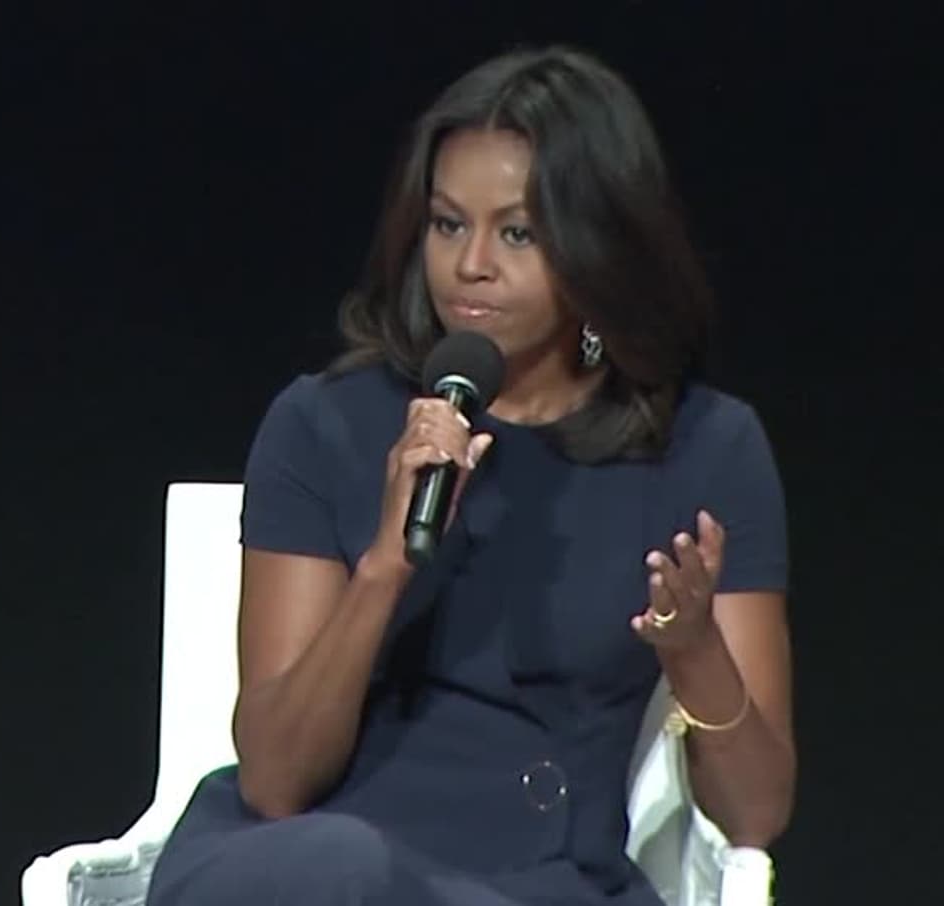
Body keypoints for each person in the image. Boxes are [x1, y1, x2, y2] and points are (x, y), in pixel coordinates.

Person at [145, 44, 794, 906]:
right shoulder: (324, 424)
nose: (470, 264)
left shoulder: (705, 449)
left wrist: (694, 651)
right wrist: (385, 567)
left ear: (599, 243)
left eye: (516, 233)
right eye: (448, 224)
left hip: (537, 883)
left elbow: (757, 815)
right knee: (339, 866)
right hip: (308, 868)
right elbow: (274, 781)